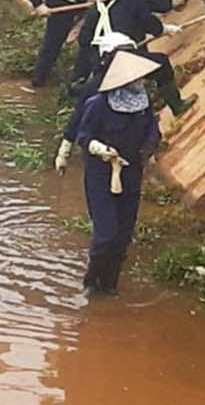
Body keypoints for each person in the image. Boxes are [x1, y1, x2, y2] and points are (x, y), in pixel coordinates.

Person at [76, 49, 162, 294]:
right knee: (106, 234)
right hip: (101, 175)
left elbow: (153, 132)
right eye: (137, 78)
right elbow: (84, 136)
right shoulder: (98, 105)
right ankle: (91, 283)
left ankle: (110, 286)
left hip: (131, 174)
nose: (141, 82)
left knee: (123, 237)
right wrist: (101, 150)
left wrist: (148, 148)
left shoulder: (143, 105)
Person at [71, 0, 199, 116]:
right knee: (162, 64)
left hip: (101, 59)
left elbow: (84, 39)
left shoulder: (97, 6)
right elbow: (149, 21)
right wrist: (164, 29)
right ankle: (176, 106)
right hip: (125, 55)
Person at [54, 31, 137, 173]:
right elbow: (80, 116)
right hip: (103, 152)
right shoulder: (97, 88)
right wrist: (66, 148)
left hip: (127, 151)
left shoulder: (136, 87)